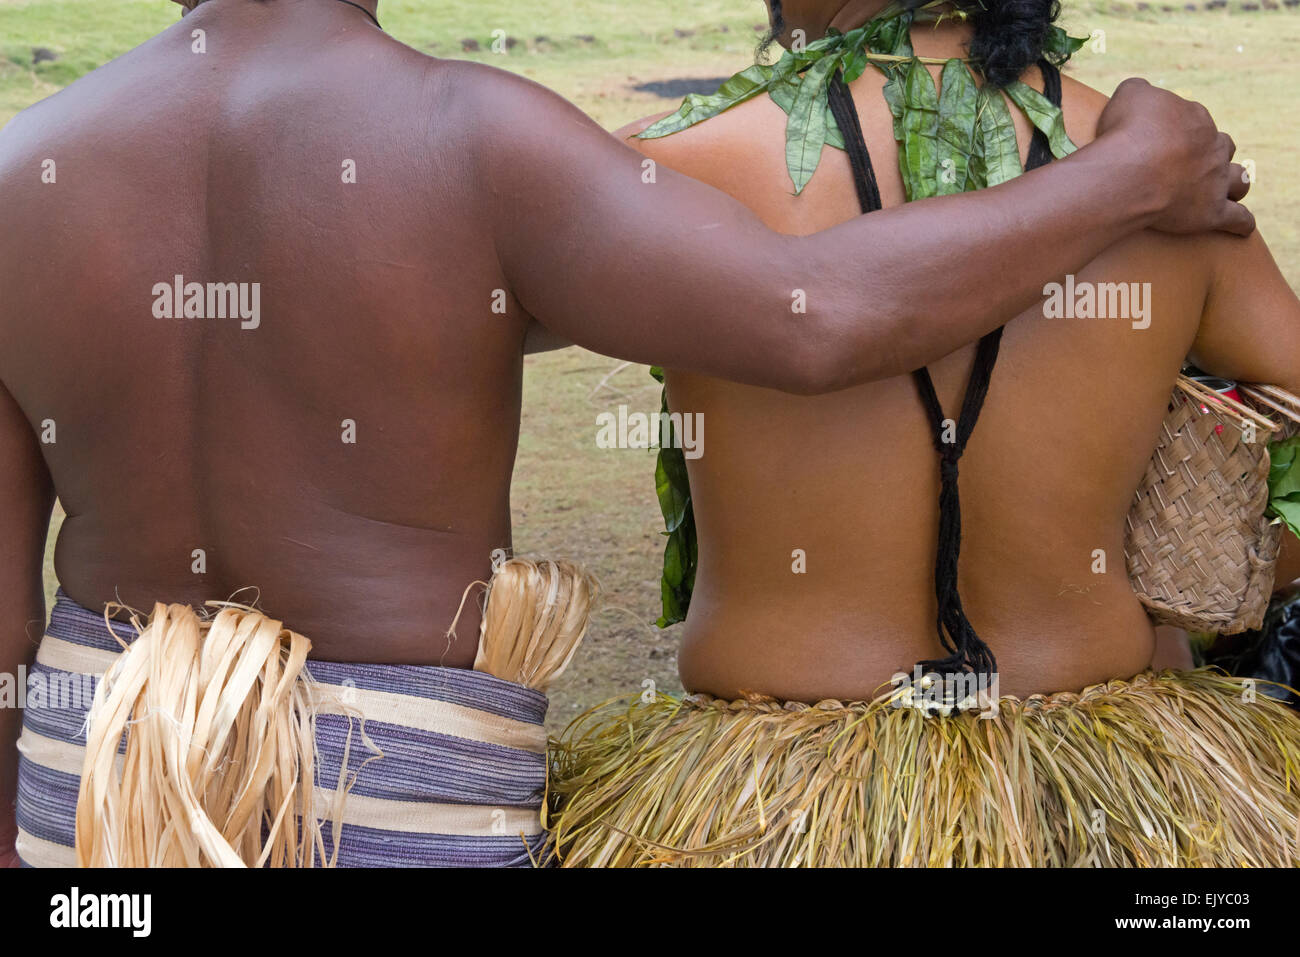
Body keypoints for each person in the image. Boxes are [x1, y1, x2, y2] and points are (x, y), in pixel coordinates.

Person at [0, 0, 1253, 867]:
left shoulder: (21, 170)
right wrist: (1132, 172)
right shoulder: (468, 134)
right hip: (398, 769)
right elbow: (815, 317)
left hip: (93, 762)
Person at [549, 0, 1300, 866]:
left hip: (763, 820)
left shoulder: (675, 163)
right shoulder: (1177, 177)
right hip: (1108, 808)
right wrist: (1196, 586)